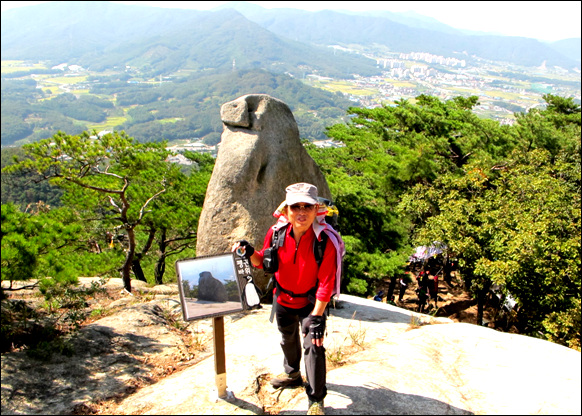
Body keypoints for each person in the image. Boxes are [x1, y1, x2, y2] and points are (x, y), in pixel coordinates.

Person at [232, 183, 337, 416]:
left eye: (307, 207)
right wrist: (250, 253)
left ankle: (316, 399)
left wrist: (317, 316)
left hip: (311, 303)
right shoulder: (276, 233)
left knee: (314, 347)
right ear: (286, 210)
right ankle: (293, 374)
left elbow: (326, 281)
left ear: (315, 209)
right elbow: (264, 262)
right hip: (283, 298)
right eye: (295, 206)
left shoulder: (324, 240)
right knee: (287, 338)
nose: (301, 212)